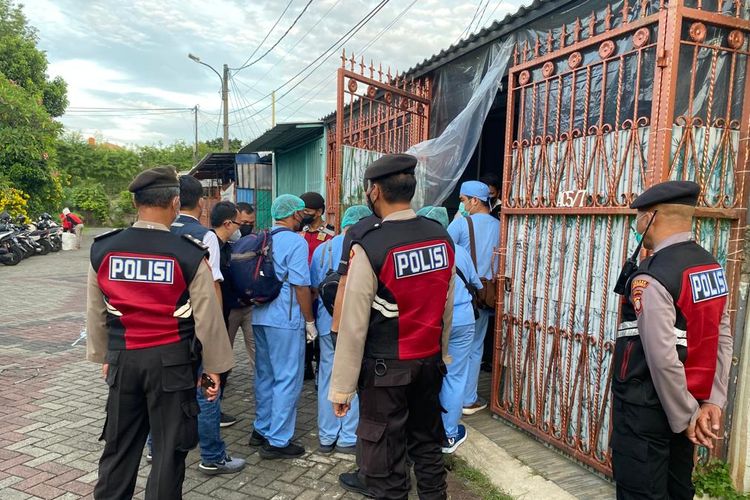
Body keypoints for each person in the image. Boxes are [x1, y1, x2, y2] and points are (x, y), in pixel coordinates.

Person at [86, 166, 234, 499]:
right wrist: (213, 369)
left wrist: (105, 357)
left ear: (137, 202)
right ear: (174, 201)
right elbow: (207, 319)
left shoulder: (104, 249)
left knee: (119, 448)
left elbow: (97, 312)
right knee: (169, 452)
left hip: (124, 360)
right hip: (173, 366)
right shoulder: (188, 253)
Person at [331, 153, 456, 499]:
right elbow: (446, 306)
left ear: (374, 192)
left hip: (386, 372)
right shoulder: (441, 237)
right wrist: (441, 355)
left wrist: (341, 388)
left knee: (384, 462)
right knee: (428, 447)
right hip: (429, 364)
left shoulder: (371, 244)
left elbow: (354, 324)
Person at [611, 180, 732, 499]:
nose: (636, 223)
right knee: (678, 487)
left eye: (638, 216)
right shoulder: (710, 267)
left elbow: (662, 356)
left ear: (653, 216)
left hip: (647, 409)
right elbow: (722, 338)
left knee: (643, 490)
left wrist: (688, 418)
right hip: (689, 402)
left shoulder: (652, 276)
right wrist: (711, 402)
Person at [170, 177, 244, 474]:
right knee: (207, 390)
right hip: (197, 327)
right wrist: (215, 334)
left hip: (168, 328)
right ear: (201, 202)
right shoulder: (205, 235)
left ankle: (154, 448)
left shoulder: (162, 231)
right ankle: (212, 455)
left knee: (169, 392)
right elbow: (212, 287)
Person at [249, 194, 317, 459]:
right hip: (285, 319)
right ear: (293, 215)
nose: (305, 217)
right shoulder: (295, 243)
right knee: (287, 377)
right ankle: (277, 441)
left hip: (260, 316)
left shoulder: (262, 238)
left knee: (264, 375)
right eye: (302, 212)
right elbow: (301, 285)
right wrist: (309, 321)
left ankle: (261, 428)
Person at [418, 206, 483, 454]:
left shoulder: (419, 251)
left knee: (426, 372)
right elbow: (475, 283)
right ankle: (448, 435)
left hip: (431, 320)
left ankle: (422, 429)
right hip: (462, 319)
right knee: (455, 376)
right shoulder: (459, 251)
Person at [310, 205, 372, 455]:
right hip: (356, 324)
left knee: (328, 376)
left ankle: (326, 436)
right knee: (354, 377)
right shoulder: (366, 248)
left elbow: (315, 286)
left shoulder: (324, 248)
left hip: (327, 323)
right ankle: (348, 437)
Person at [447, 181, 500, 415]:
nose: (462, 204)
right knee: (476, 347)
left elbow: (443, 252)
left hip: (463, 295)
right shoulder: (501, 225)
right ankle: (469, 398)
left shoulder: (460, 224)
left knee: (454, 351)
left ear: (474, 201)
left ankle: (452, 400)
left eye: (462, 200)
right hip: (487, 293)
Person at [227, 202, 256, 377]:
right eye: (244, 223)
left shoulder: (255, 241)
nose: (247, 227)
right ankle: (220, 380)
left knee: (255, 347)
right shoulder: (219, 241)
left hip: (249, 305)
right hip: (230, 307)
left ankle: (260, 381)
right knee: (223, 348)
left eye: (250, 223)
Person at [299, 191, 335, 263]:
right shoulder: (299, 231)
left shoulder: (331, 234)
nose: (304, 214)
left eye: (307, 211)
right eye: (302, 211)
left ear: (319, 211)